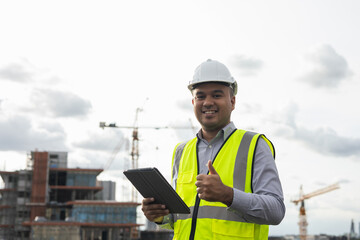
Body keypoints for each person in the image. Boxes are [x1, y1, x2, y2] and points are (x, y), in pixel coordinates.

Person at [141, 59, 285, 240]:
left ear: (232, 101)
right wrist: (160, 216)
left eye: (217, 95)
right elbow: (183, 219)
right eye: (201, 96)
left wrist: (228, 195)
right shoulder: (181, 151)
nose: (207, 102)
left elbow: (276, 211)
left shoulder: (254, 145)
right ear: (193, 102)